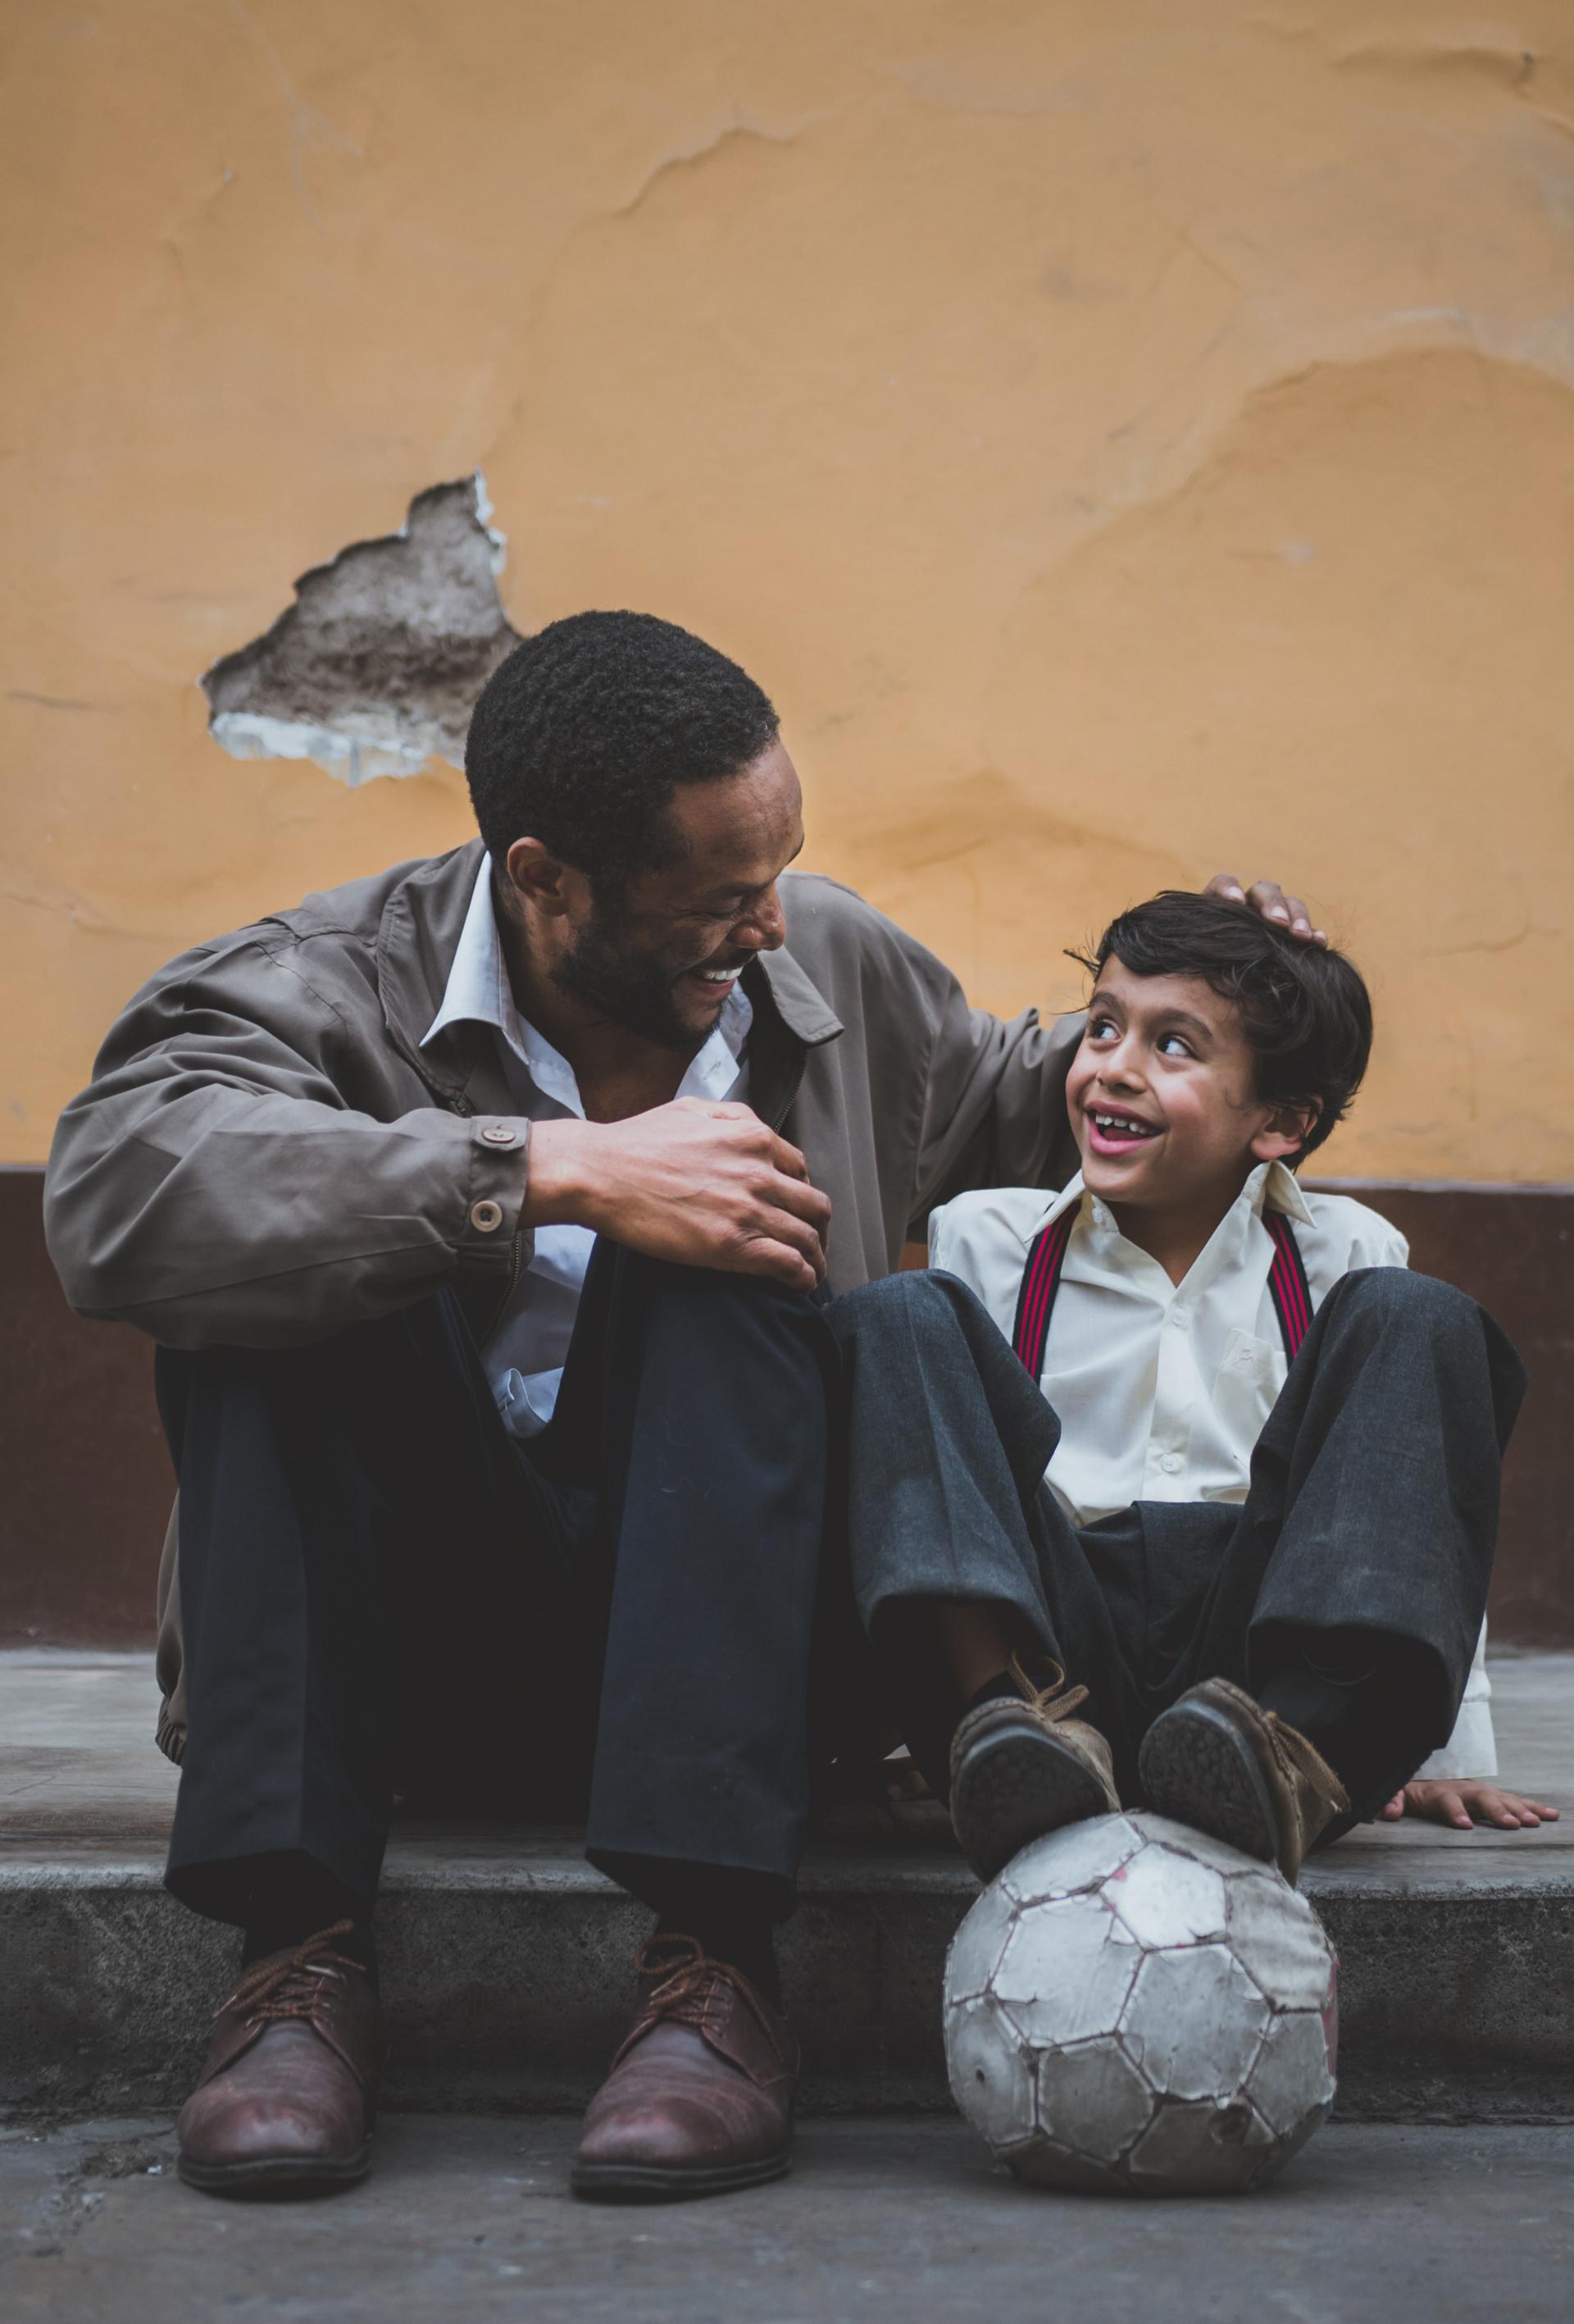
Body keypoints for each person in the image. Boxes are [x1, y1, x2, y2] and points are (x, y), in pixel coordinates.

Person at [43, 610, 1317, 2204]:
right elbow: (115, 1191)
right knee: (277, 1273)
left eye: (779, 871)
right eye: (720, 899)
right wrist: (545, 1168)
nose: (770, 923)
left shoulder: (821, 958)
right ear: (546, 882)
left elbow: (1021, 1098)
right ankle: (293, 1960)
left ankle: (714, 1966)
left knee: (738, 1227)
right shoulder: (321, 986)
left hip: (739, 1659)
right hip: (396, 1663)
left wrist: (1232, 1007)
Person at [827, 891, 1554, 1889]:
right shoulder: (989, 1237)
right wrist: (922, 1719)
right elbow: (945, 1486)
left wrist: (1444, 1749)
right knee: (898, 1312)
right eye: (1104, 1026)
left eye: (1174, 1045)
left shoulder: (1348, 1252)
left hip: (1255, 1674)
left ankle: (1296, 1760)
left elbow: (1413, 1496)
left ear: (1283, 1121)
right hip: (1052, 1653)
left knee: (1421, 1314)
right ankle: (1000, 1728)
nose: (1112, 1066)